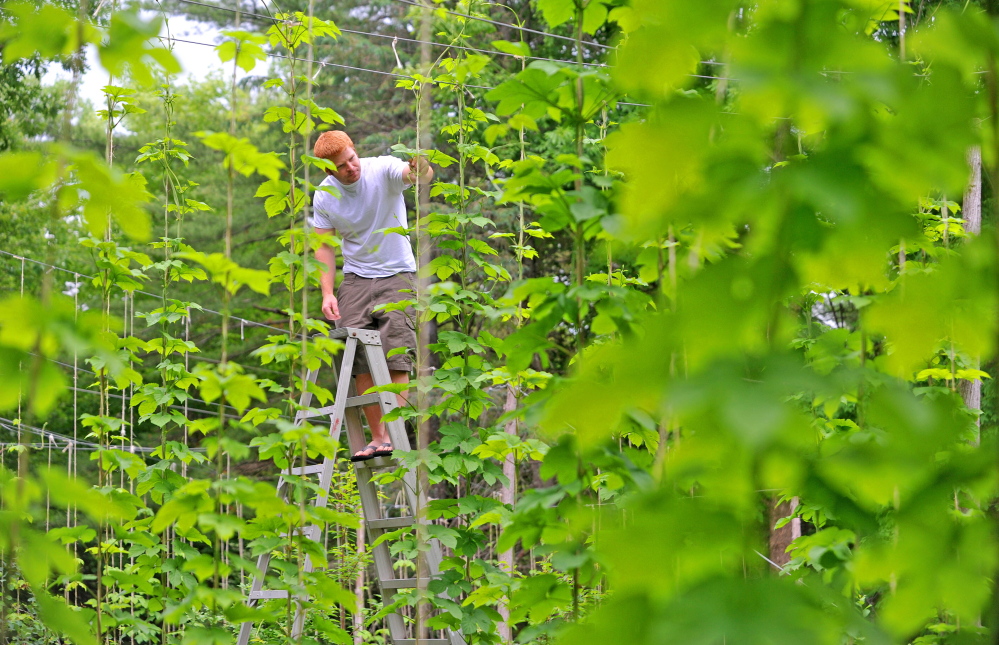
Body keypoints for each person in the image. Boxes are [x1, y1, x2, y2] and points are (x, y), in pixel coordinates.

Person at [311, 130, 433, 462]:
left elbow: (415, 175)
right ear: (328, 170)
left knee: (395, 353)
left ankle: (395, 434)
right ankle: (377, 437)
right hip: (356, 278)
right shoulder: (324, 196)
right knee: (359, 358)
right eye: (342, 166)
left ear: (355, 150)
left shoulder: (381, 168)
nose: (351, 167)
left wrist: (420, 167)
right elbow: (324, 247)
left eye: (352, 158)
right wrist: (326, 293)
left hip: (397, 274)